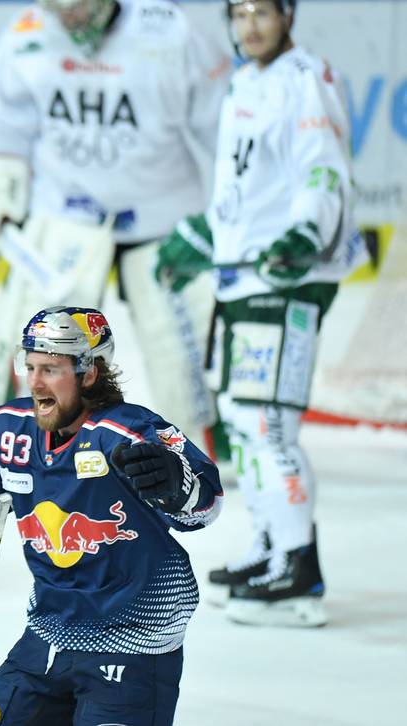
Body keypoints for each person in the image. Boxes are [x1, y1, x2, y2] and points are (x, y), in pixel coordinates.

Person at [0, 307, 223, 725]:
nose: (35, 382)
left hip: (135, 643)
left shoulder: (131, 432)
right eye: (30, 367)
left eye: (50, 369)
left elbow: (207, 506)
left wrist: (179, 485)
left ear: (89, 373)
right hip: (48, 638)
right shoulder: (12, 429)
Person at [155, 0, 364, 627]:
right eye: (239, 13)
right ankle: (270, 548)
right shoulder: (246, 83)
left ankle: (298, 569)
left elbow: (320, 172)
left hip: (286, 278)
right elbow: (243, 195)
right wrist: (201, 238)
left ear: (288, 17)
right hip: (244, 278)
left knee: (268, 426)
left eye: (263, 12)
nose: (249, 25)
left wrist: (303, 234)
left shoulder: (303, 80)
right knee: (246, 423)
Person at [0, 0, 232, 457]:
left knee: (183, 352)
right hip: (66, 217)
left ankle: (202, 451)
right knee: (42, 344)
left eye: (78, 6)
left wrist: (226, 213)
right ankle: (28, 445)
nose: (69, 16)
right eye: (58, 8)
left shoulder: (168, 31)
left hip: (164, 219)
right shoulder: (28, 33)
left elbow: (227, 128)